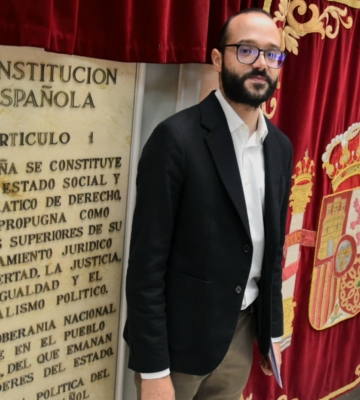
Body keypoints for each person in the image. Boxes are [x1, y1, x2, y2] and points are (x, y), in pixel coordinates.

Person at [124, 8, 292, 400]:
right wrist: (153, 368)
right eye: (246, 51)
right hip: (178, 348)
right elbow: (146, 264)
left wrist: (271, 331)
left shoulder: (280, 148)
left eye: (272, 54)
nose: (261, 64)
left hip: (240, 338)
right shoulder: (176, 140)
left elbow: (272, 253)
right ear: (218, 59)